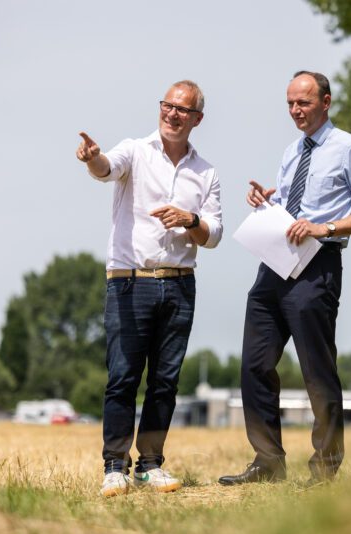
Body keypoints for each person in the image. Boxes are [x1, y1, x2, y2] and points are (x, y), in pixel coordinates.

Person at [219, 71, 351, 487]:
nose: (296, 111)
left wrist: (324, 228)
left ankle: (325, 470)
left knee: (316, 371)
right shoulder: (293, 150)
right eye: (291, 103)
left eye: (304, 103)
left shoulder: (350, 148)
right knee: (254, 365)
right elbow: (300, 196)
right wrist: (268, 197)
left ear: (326, 102)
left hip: (318, 266)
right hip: (273, 264)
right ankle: (268, 462)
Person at [76, 80, 223, 497]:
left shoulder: (206, 172)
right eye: (167, 106)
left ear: (197, 119)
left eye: (182, 109)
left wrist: (190, 221)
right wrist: (92, 158)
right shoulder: (135, 151)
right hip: (130, 283)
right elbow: (107, 169)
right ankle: (114, 466)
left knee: (165, 381)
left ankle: (151, 464)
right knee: (122, 377)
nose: (172, 114)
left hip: (179, 285)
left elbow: (214, 235)